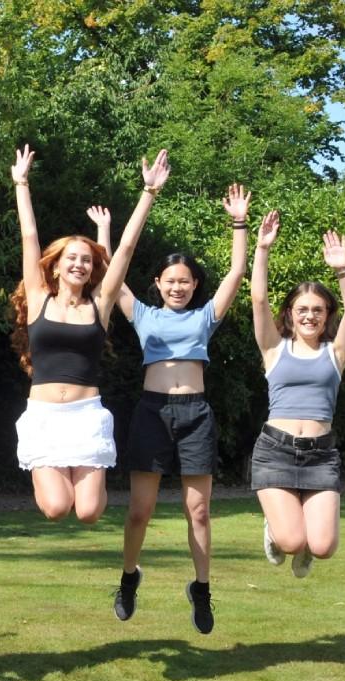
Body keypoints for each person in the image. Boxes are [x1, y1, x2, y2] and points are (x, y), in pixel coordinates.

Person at [111, 186, 263, 634]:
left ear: (195, 285)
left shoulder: (204, 317)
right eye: (169, 280)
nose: (177, 286)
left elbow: (237, 272)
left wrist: (240, 223)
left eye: (185, 280)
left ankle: (201, 587)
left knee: (198, 511)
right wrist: (105, 231)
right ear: (158, 283)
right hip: (151, 413)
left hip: (195, 414)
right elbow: (112, 272)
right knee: (140, 511)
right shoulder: (142, 314)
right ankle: (128, 577)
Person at [8, 146, 169, 524]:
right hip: (45, 415)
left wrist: (149, 193)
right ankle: (48, 478)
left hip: (85, 415)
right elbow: (29, 236)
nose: (80, 264)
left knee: (89, 512)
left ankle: (88, 485)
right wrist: (21, 183)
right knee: (56, 507)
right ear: (58, 265)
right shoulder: (38, 298)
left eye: (87, 259)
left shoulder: (100, 303)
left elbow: (126, 248)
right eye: (72, 258)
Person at [248, 227, 345, 577]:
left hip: (320, 453)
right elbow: (258, 300)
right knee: (291, 542)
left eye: (318, 310)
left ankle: (306, 540)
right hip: (275, 449)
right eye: (302, 309)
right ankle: (277, 532)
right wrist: (263, 249)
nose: (310, 315)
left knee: (324, 547)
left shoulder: (336, 354)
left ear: (327, 315)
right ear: (290, 313)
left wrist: (343, 271)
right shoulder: (273, 348)